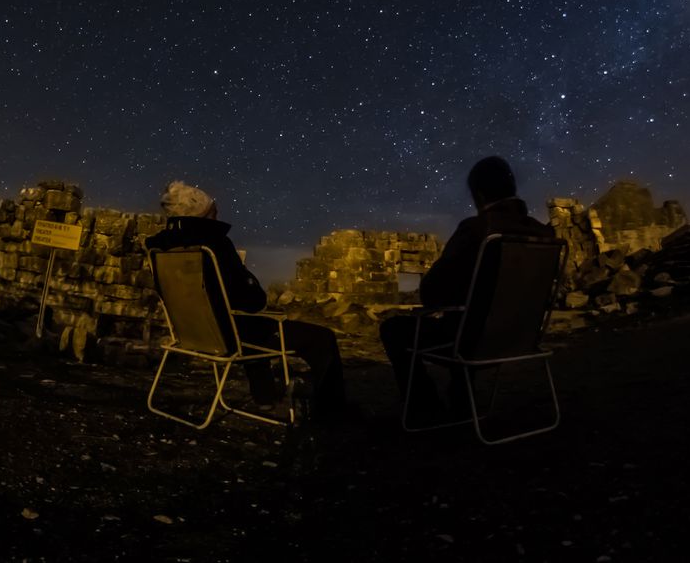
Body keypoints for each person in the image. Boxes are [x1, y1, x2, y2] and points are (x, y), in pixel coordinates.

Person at [145, 181, 349, 423]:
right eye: (213, 210)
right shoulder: (214, 244)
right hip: (228, 336)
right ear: (200, 213)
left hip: (191, 332)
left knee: (247, 323)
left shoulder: (160, 247)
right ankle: (332, 413)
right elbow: (252, 301)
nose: (217, 213)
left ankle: (265, 397)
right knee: (321, 338)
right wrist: (254, 290)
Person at [379, 156, 555, 423]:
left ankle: (425, 407)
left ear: (479, 195)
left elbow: (431, 292)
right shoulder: (544, 233)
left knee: (394, 329)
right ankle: (461, 397)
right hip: (520, 339)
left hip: (473, 342)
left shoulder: (475, 229)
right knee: (473, 311)